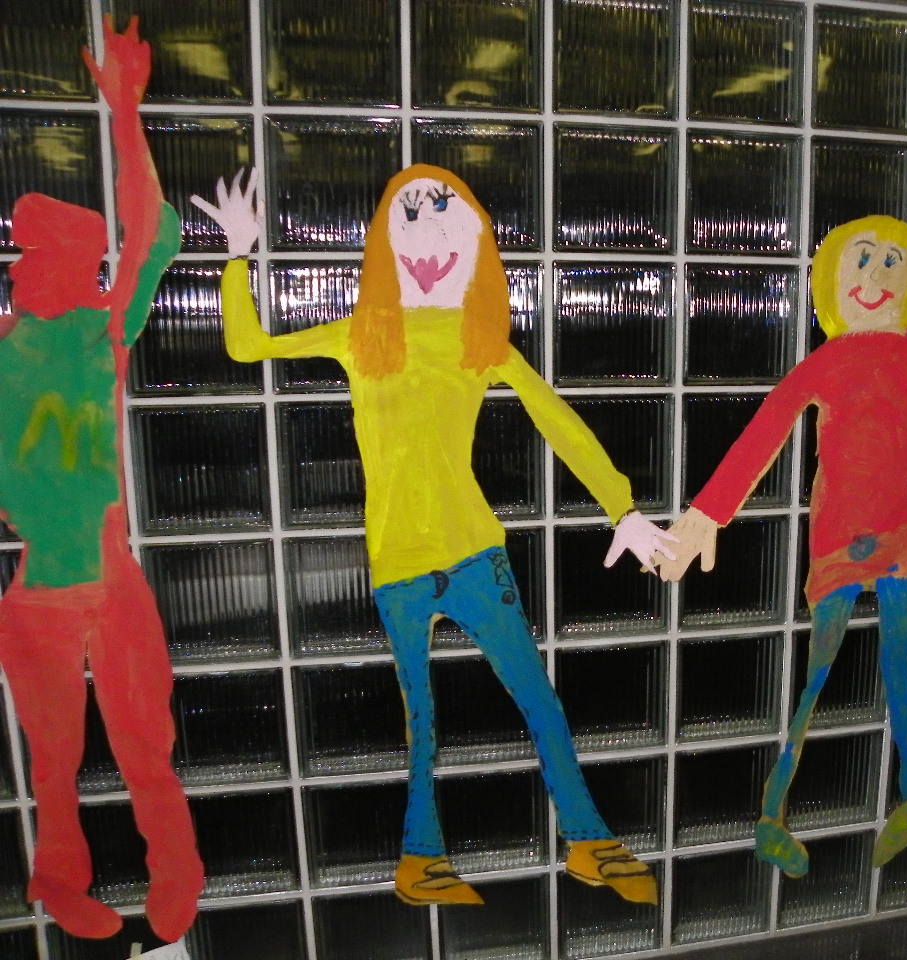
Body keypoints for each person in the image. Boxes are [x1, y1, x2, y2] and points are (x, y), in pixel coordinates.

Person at [193, 164, 675, 907]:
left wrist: (624, 508)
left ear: (478, 246)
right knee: (420, 719)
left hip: (475, 552)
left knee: (537, 699)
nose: (430, 236)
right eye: (410, 219)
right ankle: (422, 860)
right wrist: (237, 256)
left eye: (450, 222)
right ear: (385, 245)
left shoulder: (478, 341)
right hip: (398, 564)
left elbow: (556, 419)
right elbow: (247, 346)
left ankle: (587, 839)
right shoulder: (362, 337)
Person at [657, 216, 907, 874]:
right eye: (861, 260)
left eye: (891, 262)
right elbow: (765, 430)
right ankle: (773, 816)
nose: (874, 276)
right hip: (838, 540)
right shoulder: (829, 359)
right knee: (817, 674)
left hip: (900, 539)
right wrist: (707, 511)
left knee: (899, 668)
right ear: (833, 279)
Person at [0, 17, 203, 942]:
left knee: (142, 748)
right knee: (57, 761)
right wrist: (121, 107)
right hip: (43, 588)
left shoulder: (97, 335)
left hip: (106, 580)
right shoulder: (28, 348)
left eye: (81, 263)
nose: (76, 275)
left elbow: (153, 233)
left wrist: (126, 109)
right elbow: (150, 236)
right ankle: (60, 880)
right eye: (64, 261)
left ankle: (175, 872)